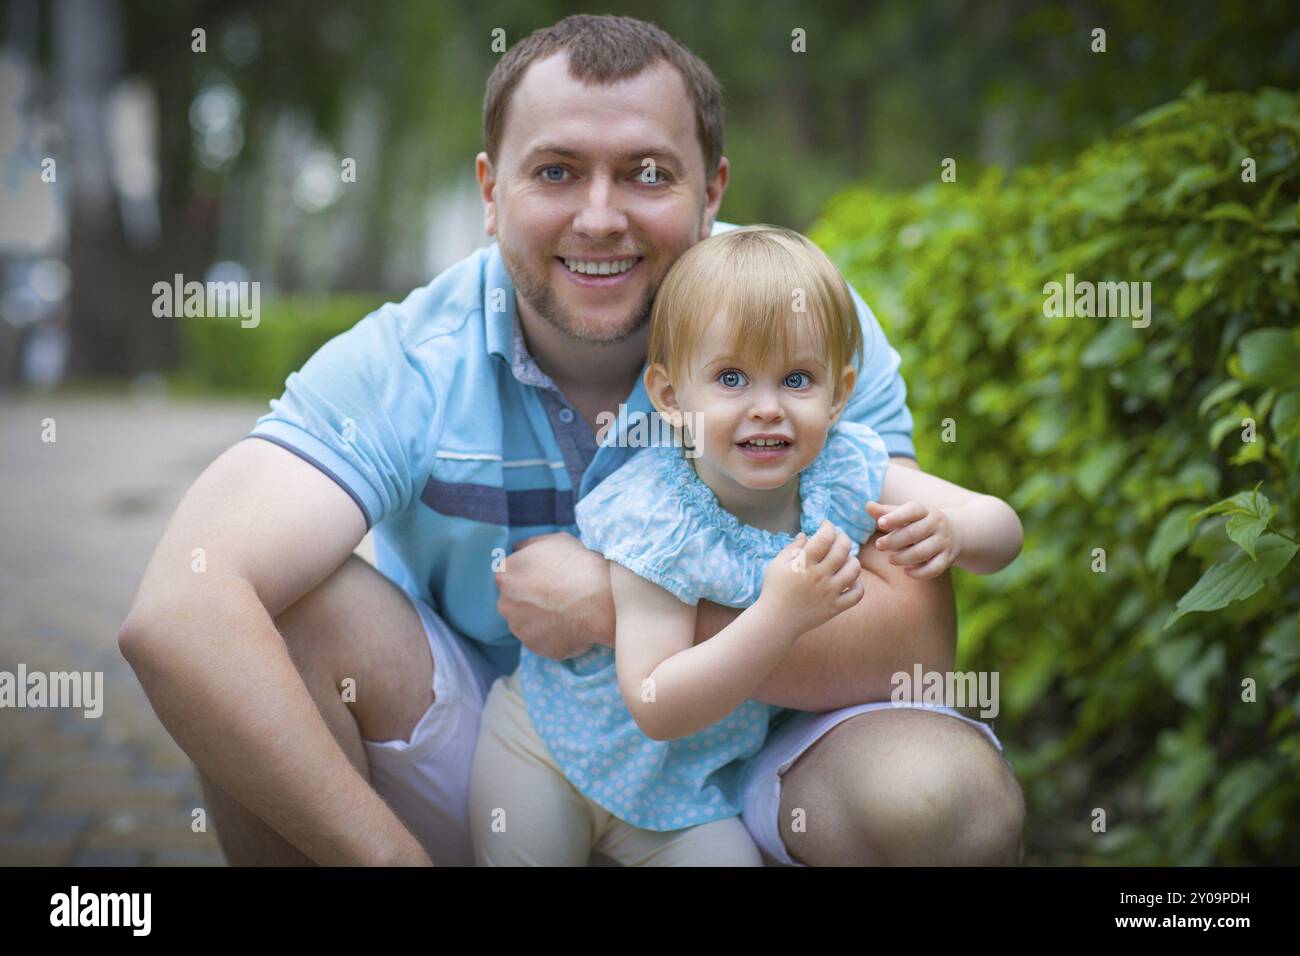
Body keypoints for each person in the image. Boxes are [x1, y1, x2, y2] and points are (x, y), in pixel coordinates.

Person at [118, 14, 1025, 866]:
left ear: (712, 190)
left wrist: (615, 606)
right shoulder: (407, 361)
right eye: (555, 172)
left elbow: (913, 650)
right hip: (498, 746)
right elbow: (179, 614)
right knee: (279, 616)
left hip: (757, 750)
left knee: (945, 799)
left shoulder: (792, 319)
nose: (600, 217)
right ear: (490, 191)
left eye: (647, 172)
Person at [469, 226, 1023, 865]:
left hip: (690, 790)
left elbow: (1002, 529)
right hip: (551, 752)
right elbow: (657, 701)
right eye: (731, 378)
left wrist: (958, 530)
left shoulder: (842, 469)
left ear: (839, 395)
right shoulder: (659, 514)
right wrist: (778, 617)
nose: (767, 409)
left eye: (796, 379)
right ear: (672, 397)